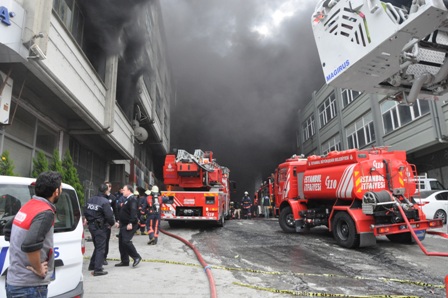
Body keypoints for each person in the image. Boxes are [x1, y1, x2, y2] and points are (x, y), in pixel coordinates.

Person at [5, 171, 62, 298]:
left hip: (15, 281)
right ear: (56, 192)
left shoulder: (28, 206)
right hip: (29, 287)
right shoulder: (45, 212)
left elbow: (8, 230)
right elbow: (31, 244)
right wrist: (38, 269)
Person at [84, 184, 116, 276]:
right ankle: (98, 269)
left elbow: (86, 211)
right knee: (101, 247)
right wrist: (111, 224)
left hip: (91, 226)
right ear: (106, 191)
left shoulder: (91, 199)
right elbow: (109, 216)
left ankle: (92, 265)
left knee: (97, 246)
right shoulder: (105, 201)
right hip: (100, 227)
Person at [115, 184, 142, 268]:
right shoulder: (127, 199)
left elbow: (133, 212)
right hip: (123, 224)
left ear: (129, 191)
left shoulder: (132, 199)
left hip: (130, 224)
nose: (122, 191)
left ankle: (136, 257)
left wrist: (130, 223)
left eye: (124, 190)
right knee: (121, 243)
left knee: (126, 241)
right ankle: (125, 261)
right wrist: (119, 221)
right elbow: (124, 212)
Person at [103, 181, 116, 265]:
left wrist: (116, 221)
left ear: (110, 188)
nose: (106, 188)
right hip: (100, 221)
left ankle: (104, 257)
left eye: (107, 186)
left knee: (106, 241)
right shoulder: (101, 196)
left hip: (108, 222)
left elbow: (115, 210)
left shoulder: (113, 198)